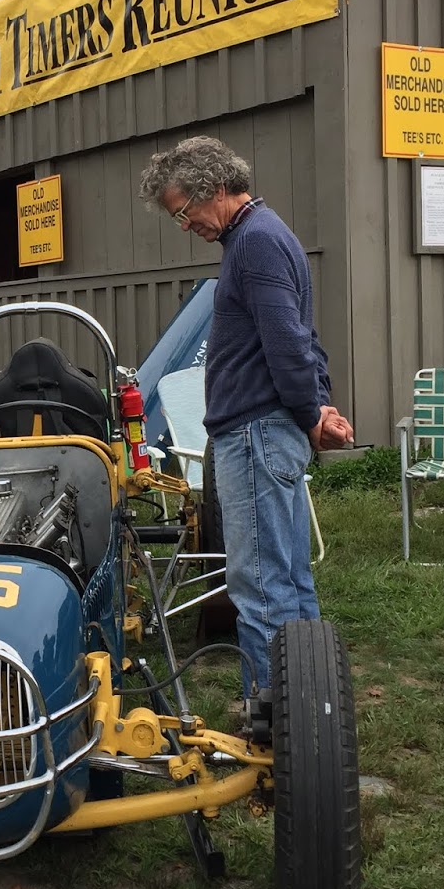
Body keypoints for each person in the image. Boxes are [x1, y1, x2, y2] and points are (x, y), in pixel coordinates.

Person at [139, 135, 353, 701]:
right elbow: (302, 337)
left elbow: (288, 343)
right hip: (267, 430)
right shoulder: (262, 236)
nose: (184, 225)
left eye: (184, 211)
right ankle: (309, 711)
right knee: (290, 581)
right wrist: (316, 407)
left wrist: (310, 412)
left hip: (255, 435)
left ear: (214, 188)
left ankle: (271, 718)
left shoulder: (254, 243)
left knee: (259, 588)